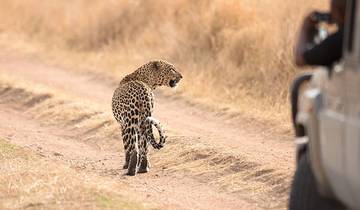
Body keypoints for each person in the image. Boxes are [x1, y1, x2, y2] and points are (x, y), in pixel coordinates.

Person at [294, 0, 347, 68]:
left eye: (333, 12)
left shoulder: (340, 40)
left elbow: (299, 59)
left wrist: (305, 27)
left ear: (341, 14)